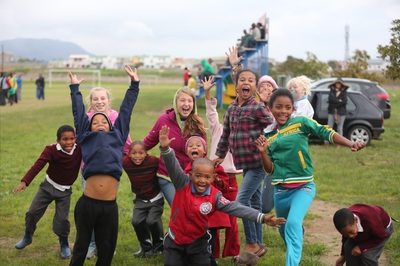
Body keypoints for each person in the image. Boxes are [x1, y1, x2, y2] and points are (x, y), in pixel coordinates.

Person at [255, 88, 366, 266]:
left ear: (293, 109)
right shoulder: (268, 135)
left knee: (292, 224)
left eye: (288, 107)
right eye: (279, 107)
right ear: (270, 108)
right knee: (284, 230)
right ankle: (295, 244)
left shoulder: (301, 123)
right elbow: (270, 170)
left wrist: (350, 143)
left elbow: (326, 132)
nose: (283, 111)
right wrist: (263, 153)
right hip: (281, 191)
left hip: (303, 187)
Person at [158, 125, 286, 266]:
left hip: (197, 241)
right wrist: (165, 150)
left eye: (207, 177)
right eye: (198, 176)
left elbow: (235, 208)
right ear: (191, 175)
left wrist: (262, 218)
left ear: (213, 178)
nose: (202, 180)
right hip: (175, 240)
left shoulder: (215, 196)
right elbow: (173, 167)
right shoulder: (182, 183)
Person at [67, 65, 140, 266]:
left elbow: (126, 110)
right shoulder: (85, 137)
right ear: (88, 127)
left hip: (109, 206)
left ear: (111, 125)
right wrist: (75, 90)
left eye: (104, 122)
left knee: (106, 251)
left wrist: (134, 85)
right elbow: (78, 113)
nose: (99, 123)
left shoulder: (118, 136)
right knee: (81, 247)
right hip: (87, 204)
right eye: (95, 122)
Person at [214, 63, 274, 260]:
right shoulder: (231, 108)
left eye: (250, 81)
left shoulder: (257, 107)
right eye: (242, 80)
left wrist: (268, 144)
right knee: (254, 203)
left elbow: (273, 125)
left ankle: (251, 242)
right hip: (245, 164)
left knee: (241, 201)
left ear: (255, 87)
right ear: (236, 86)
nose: (246, 83)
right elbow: (226, 134)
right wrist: (220, 154)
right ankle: (258, 243)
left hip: (258, 163)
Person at [12, 125, 82, 259]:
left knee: (62, 220)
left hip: (65, 191)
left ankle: (64, 244)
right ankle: (28, 236)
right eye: (64, 139)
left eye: (72, 139)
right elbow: (38, 165)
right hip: (48, 187)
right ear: (58, 140)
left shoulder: (79, 148)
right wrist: (25, 181)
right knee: (32, 212)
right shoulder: (51, 150)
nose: (69, 142)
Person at [84, 85, 133, 259]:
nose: (99, 102)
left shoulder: (115, 117)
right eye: (95, 99)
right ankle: (91, 244)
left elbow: (125, 141)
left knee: (106, 212)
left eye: (102, 98)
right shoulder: (87, 118)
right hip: (90, 172)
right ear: (90, 102)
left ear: (108, 100)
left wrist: (134, 155)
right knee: (89, 212)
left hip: (111, 171)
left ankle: (106, 244)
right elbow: (80, 141)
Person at [143, 87, 207, 206]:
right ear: (175, 102)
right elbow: (147, 143)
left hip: (190, 176)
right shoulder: (163, 120)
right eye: (182, 100)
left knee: (193, 211)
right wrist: (129, 151)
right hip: (167, 176)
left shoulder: (199, 123)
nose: (186, 104)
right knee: (179, 208)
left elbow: (204, 152)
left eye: (190, 101)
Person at [203, 76, 242, 259]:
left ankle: (232, 253)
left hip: (231, 181)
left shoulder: (241, 134)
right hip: (214, 179)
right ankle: (214, 254)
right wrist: (207, 92)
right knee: (215, 219)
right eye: (228, 116)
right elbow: (211, 111)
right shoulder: (217, 129)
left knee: (232, 220)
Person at [183, 135, 231, 265]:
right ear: (186, 151)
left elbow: (226, 187)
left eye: (198, 145)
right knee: (196, 242)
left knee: (209, 241)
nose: (194, 147)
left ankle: (210, 260)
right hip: (195, 215)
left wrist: (217, 180)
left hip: (211, 215)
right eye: (190, 145)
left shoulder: (212, 166)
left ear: (204, 151)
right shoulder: (187, 170)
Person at [122, 140, 164, 258]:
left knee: (152, 221)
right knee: (136, 221)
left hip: (156, 198)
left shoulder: (153, 161)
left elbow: (166, 164)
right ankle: (145, 247)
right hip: (140, 199)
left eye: (141, 153)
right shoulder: (126, 163)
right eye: (134, 153)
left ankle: (159, 246)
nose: (137, 156)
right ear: (129, 154)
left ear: (146, 153)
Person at [256, 75, 279, 215]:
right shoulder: (255, 107)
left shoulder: (279, 109)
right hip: (257, 157)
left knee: (266, 206)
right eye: (262, 86)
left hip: (275, 157)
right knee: (261, 203)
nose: (266, 89)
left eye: (269, 86)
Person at [326, 78, 349, 148]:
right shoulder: (331, 91)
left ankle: (339, 143)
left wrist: (336, 102)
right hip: (332, 111)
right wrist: (339, 101)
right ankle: (326, 142)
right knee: (329, 127)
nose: (338, 85)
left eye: (339, 84)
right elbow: (330, 100)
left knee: (339, 127)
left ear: (341, 85)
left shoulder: (344, 92)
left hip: (341, 113)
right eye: (337, 83)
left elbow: (344, 102)